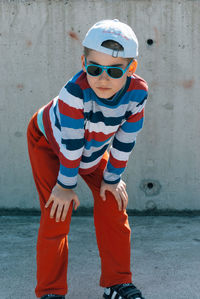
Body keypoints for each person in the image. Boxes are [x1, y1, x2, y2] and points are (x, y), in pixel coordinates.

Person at [27, 19, 148, 299]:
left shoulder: (138, 92)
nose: (103, 78)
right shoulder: (74, 92)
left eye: (114, 71)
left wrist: (112, 178)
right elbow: (71, 146)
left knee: (114, 204)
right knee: (56, 212)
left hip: (92, 147)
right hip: (49, 143)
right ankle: (50, 292)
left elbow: (126, 138)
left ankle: (117, 284)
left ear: (131, 69)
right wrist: (65, 186)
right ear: (84, 64)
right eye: (95, 69)